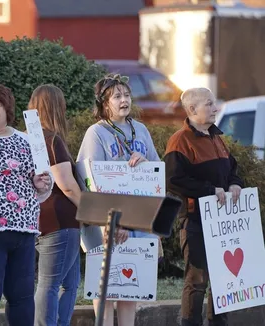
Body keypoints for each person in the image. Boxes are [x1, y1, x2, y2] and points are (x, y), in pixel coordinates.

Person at [76, 74, 161, 326]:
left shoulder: (141, 130)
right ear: (104, 103)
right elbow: (90, 180)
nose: (124, 100)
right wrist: (110, 223)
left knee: (130, 288)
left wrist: (146, 164)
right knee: (106, 288)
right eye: (117, 96)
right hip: (108, 224)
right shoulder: (96, 133)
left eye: (127, 95)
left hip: (138, 222)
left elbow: (157, 172)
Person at [0, 83, 53, 326]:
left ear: (7, 109)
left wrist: (41, 182)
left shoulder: (27, 141)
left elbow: (46, 184)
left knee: (22, 294)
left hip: (23, 230)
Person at [165, 87, 243, 326]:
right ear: (192, 109)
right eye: (209, 104)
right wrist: (209, 191)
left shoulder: (216, 137)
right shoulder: (180, 140)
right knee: (197, 279)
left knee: (223, 278)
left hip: (222, 222)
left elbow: (232, 170)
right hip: (195, 219)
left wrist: (235, 184)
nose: (215, 108)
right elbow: (173, 180)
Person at [29, 84, 83, 326]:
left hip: (37, 218)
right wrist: (93, 212)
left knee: (67, 284)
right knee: (51, 285)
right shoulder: (52, 140)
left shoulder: (27, 140)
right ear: (56, 108)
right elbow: (67, 184)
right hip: (62, 221)